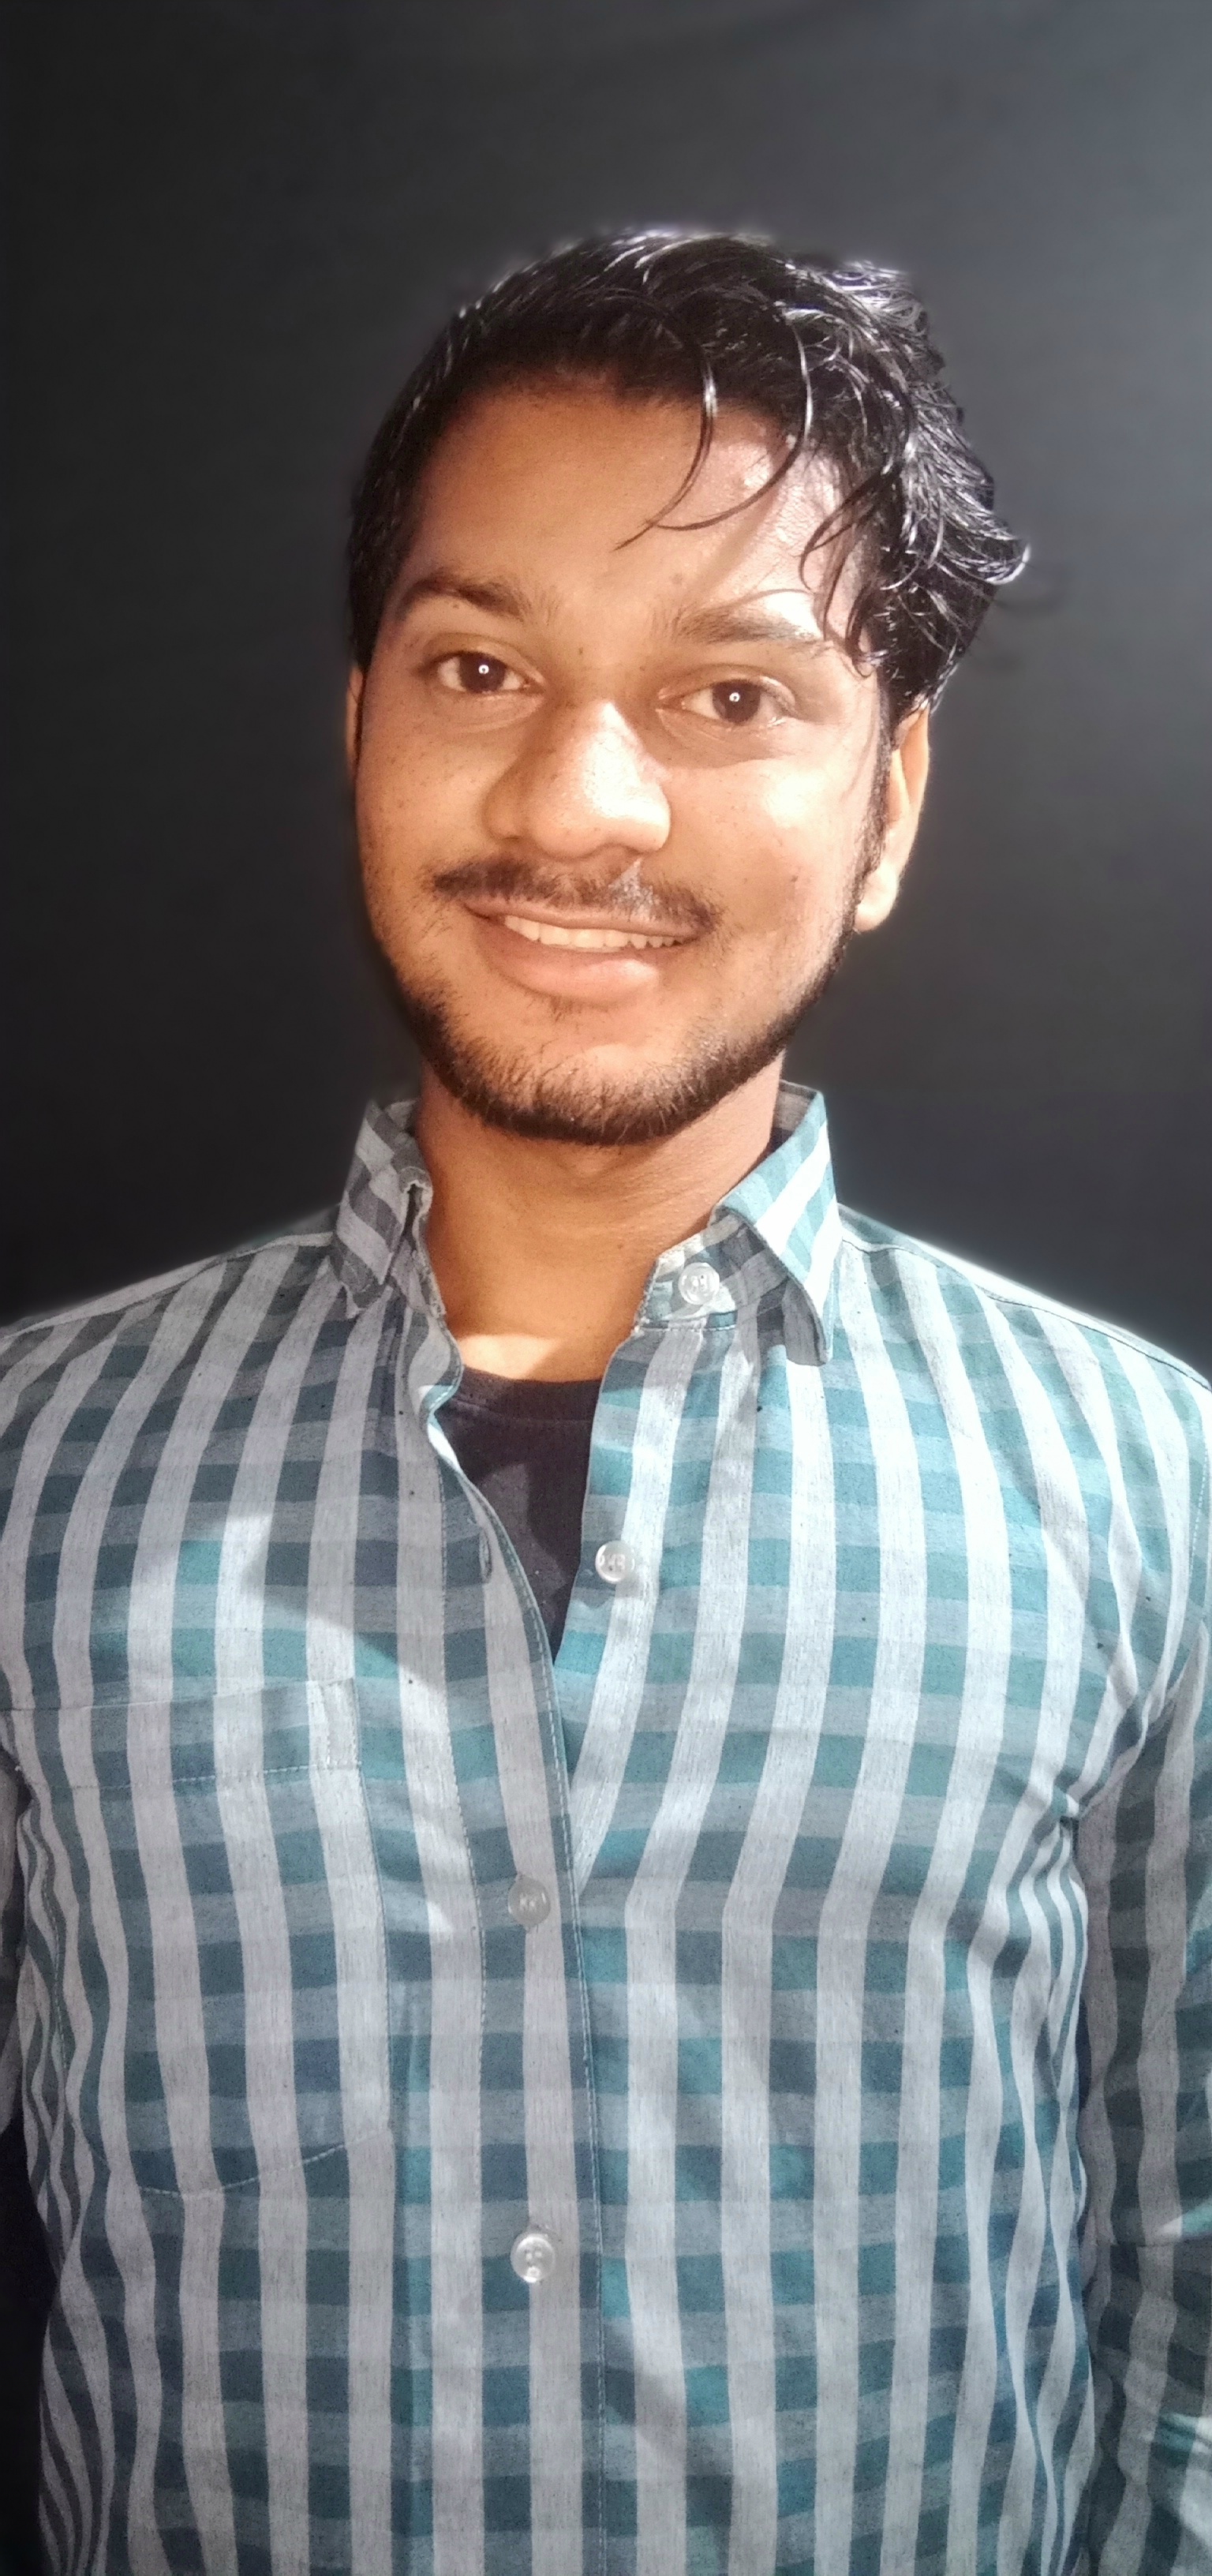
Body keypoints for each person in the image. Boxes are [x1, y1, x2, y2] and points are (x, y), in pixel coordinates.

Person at [1, 230, 1208, 2576]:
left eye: (733, 695)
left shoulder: (1149, 1485)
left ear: (889, 802)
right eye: (481, 666)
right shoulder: (37, 1475)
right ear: (360, 725)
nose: (583, 805)